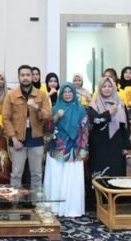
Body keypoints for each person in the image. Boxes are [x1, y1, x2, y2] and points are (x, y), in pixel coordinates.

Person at [1, 65, 51, 189]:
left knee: (37, 174)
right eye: (22, 75)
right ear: (18, 77)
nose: (25, 78)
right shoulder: (11, 95)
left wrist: (36, 107)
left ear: (32, 77)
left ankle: (36, 200)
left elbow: (48, 116)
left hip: (36, 140)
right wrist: (14, 139)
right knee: (16, 174)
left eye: (28, 75)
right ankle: (16, 200)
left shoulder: (42, 95)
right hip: (17, 140)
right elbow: (6, 119)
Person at [43, 82, 89, 217]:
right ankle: (55, 207)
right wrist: (56, 116)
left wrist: (83, 148)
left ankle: (71, 209)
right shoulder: (55, 108)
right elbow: (47, 129)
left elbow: (84, 130)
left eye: (70, 92)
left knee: (72, 179)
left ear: (74, 93)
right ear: (61, 94)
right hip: (57, 147)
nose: (67, 94)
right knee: (56, 177)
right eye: (65, 92)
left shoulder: (81, 110)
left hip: (74, 148)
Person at [88, 77, 131, 177]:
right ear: (100, 88)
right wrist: (108, 113)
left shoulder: (120, 104)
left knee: (117, 174)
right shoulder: (94, 104)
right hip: (99, 145)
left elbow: (125, 126)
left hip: (117, 144)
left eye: (110, 86)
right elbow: (94, 121)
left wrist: (126, 145)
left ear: (114, 88)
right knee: (99, 176)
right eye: (104, 86)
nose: (107, 88)